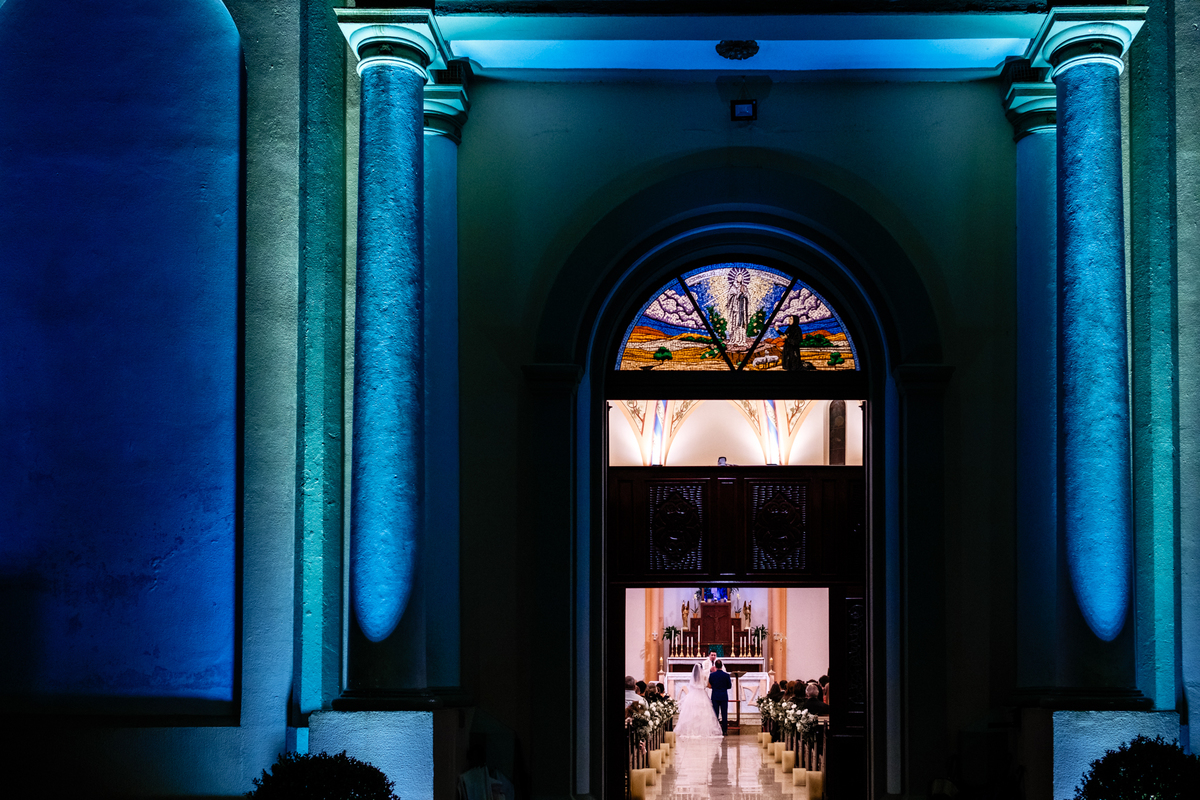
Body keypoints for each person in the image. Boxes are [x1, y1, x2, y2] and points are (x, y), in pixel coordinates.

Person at [674, 662, 722, 738]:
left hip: (693, 695)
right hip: (702, 694)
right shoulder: (704, 676)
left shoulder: (693, 676)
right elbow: (707, 685)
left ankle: (689, 730)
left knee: (691, 712)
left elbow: (691, 685)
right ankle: (704, 731)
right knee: (703, 713)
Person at [708, 659, 732, 735]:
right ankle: (724, 731)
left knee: (715, 714)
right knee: (724, 714)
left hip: (715, 696)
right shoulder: (726, 675)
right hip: (724, 696)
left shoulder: (712, 675)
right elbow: (729, 686)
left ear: (715, 666)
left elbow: (710, 684)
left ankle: (716, 730)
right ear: (722, 666)